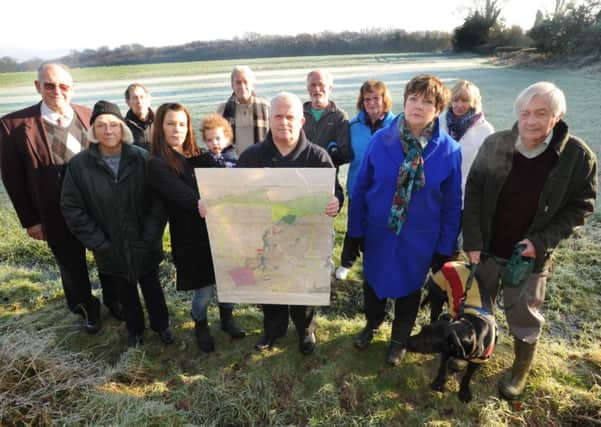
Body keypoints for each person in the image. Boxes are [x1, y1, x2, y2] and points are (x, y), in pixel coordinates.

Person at [462, 81, 597, 400]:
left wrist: (541, 241)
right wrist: (473, 240)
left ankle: (520, 368)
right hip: (486, 248)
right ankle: (476, 351)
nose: (532, 120)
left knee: (524, 315)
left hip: (529, 255)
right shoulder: (496, 144)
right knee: (477, 306)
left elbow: (582, 207)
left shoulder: (577, 157)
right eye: (526, 113)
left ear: (558, 115)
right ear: (517, 114)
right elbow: (475, 192)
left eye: (542, 113)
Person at [206, 92, 341, 355]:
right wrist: (210, 204)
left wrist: (336, 202)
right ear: (269, 120)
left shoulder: (318, 156)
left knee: (302, 284)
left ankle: (305, 330)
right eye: (278, 116)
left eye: (290, 117)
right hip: (266, 237)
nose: (284, 122)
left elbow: (335, 192)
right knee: (268, 282)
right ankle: (273, 329)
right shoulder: (252, 156)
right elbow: (237, 196)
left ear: (301, 121)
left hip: (304, 237)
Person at [348, 74, 462, 366]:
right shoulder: (380, 140)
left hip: (419, 238)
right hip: (379, 232)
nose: (418, 106)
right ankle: (372, 325)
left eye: (427, 101)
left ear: (438, 109)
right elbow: (360, 189)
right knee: (373, 283)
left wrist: (445, 248)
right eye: (414, 98)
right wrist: (355, 232)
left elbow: (451, 203)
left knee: (410, 290)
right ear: (405, 101)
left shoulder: (449, 150)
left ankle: (399, 340)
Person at [0, 63, 120, 334]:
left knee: (107, 257)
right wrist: (30, 221)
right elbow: (13, 179)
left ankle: (114, 300)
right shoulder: (14, 126)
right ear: (37, 86)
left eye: (63, 86)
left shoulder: (89, 116)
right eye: (49, 85)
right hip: (55, 213)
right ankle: (86, 305)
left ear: (72, 87)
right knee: (70, 264)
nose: (57, 91)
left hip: (97, 210)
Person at [61, 100, 173, 348]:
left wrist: (150, 236)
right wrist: (99, 242)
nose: (108, 130)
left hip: (144, 240)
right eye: (101, 125)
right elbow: (72, 207)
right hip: (109, 245)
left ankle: (162, 325)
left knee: (152, 286)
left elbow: (158, 201)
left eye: (114, 124)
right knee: (124, 291)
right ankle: (134, 330)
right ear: (93, 131)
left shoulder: (142, 158)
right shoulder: (80, 166)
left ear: (123, 128)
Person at [147, 106, 245, 353]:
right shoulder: (157, 163)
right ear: (161, 127)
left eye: (182, 123)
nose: (177, 129)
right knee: (203, 291)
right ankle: (200, 323)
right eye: (170, 124)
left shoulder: (200, 153)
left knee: (230, 282)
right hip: (191, 238)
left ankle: (227, 318)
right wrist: (201, 202)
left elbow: (226, 181)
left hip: (220, 232)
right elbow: (182, 194)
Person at [335, 80, 395, 281]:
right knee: (355, 227)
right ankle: (346, 263)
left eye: (376, 98)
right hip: (357, 187)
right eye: (367, 99)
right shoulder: (352, 126)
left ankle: (377, 263)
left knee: (380, 230)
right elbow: (341, 148)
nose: (371, 103)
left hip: (385, 191)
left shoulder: (397, 126)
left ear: (384, 99)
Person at [439, 80, 494, 195]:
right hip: (439, 191)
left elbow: (490, 168)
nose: (459, 105)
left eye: (464, 100)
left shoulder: (486, 130)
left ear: (474, 102)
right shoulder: (439, 122)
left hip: (468, 195)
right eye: (455, 100)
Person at [302, 69, 350, 168]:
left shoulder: (339, 116)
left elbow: (345, 154)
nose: (317, 89)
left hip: (327, 174)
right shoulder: (298, 113)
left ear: (330, 88)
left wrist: (328, 156)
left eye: (321, 85)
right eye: (313, 85)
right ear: (307, 88)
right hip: (300, 173)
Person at [217, 65, 269, 155]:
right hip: (231, 164)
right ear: (232, 85)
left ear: (252, 85)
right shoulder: (222, 110)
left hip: (260, 162)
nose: (242, 86)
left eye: (245, 82)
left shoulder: (266, 108)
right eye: (238, 82)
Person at [124, 83, 153, 151]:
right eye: (135, 98)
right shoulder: (123, 126)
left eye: (142, 97)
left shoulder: (160, 121)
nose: (139, 101)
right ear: (128, 102)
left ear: (148, 99)